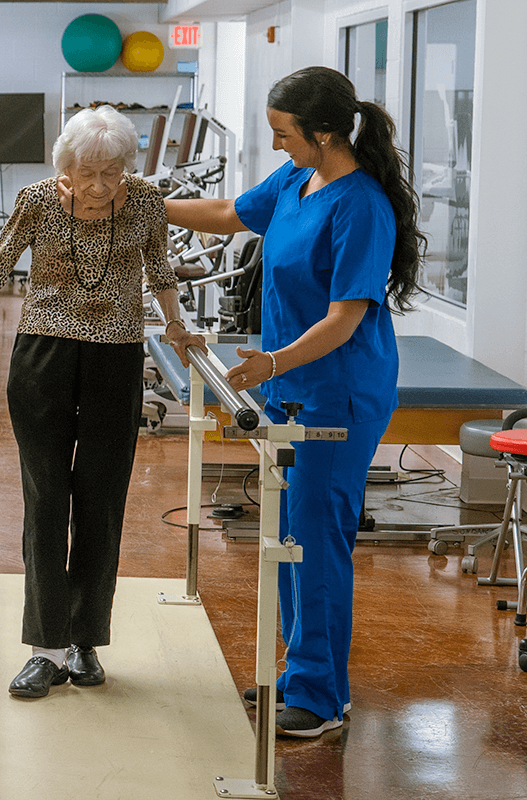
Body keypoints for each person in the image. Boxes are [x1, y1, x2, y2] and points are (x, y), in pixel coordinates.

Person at [165, 66, 425, 737]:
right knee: (285, 537)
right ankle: (297, 674)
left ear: (325, 132)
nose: (277, 143)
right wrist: (142, 203)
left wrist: (272, 362)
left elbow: (343, 319)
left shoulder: (360, 206)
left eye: (285, 133)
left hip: (337, 394)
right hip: (288, 388)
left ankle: (320, 697)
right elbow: (227, 215)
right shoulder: (294, 180)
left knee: (315, 541)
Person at [0, 105, 205, 700]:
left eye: (112, 171)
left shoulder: (143, 202)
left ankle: (85, 640)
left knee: (102, 497)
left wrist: (177, 325)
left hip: (115, 356)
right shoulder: (37, 200)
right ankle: (46, 647)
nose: (99, 185)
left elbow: (159, 268)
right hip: (43, 356)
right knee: (45, 496)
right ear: (64, 167)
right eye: (87, 171)